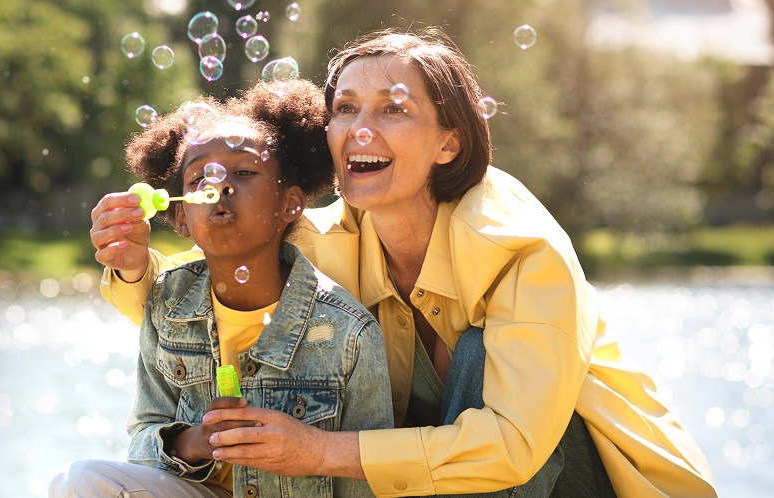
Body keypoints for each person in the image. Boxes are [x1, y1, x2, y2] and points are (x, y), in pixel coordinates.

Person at [86, 28, 717, 498]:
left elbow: (512, 448)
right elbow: (209, 294)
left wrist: (319, 453)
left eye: (393, 108)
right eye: (345, 108)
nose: (360, 128)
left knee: (477, 355)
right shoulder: (325, 240)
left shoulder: (523, 251)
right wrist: (134, 264)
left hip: (593, 481)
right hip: (447, 487)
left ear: (450, 142)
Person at [52, 81, 394, 498]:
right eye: (199, 178)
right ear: (181, 217)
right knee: (78, 480)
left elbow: (369, 474)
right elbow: (143, 440)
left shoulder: (349, 332)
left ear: (290, 203)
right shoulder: (167, 304)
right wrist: (193, 442)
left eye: (245, 172)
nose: (221, 185)